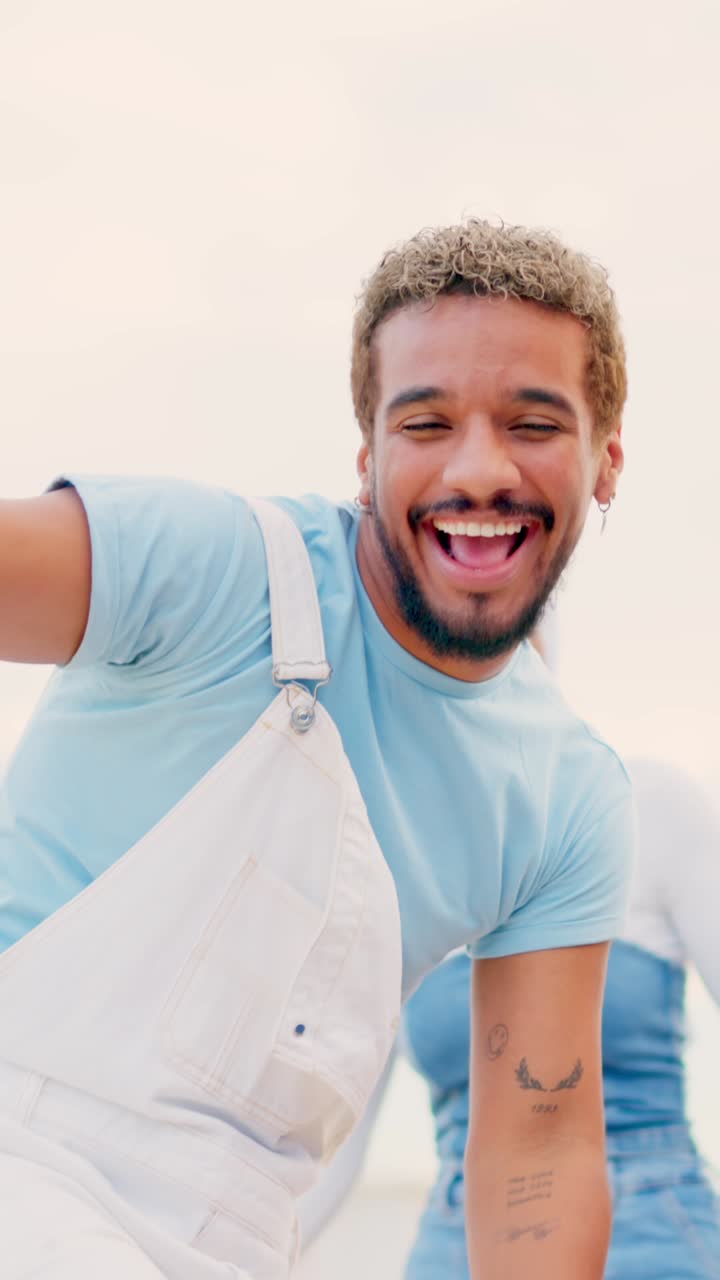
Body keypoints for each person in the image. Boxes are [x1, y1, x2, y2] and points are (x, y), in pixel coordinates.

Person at [0, 218, 630, 1280]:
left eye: (533, 421)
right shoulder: (209, 570)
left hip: (244, 1241)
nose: (479, 469)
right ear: (368, 454)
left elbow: (541, 1149)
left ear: (606, 461)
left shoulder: (570, 798)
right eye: (426, 422)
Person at [398, 758, 720, 1280]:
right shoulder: (394, 845)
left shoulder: (649, 805)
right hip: (451, 1235)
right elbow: (315, 1132)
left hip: (650, 1225)